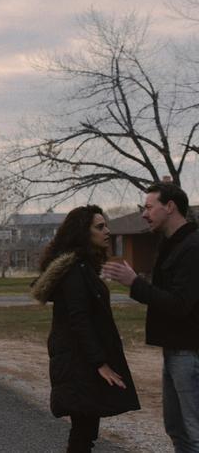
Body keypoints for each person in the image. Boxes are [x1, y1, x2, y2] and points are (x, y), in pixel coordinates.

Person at [31, 205, 140, 452]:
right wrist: (100, 363)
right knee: (84, 432)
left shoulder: (83, 267)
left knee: (85, 431)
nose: (107, 231)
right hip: (78, 362)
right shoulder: (75, 271)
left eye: (106, 225)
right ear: (83, 232)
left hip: (80, 360)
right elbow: (79, 320)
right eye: (100, 227)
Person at [102, 182, 199, 452]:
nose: (144, 214)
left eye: (148, 207)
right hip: (175, 350)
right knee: (177, 429)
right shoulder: (171, 244)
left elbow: (180, 304)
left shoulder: (193, 247)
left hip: (191, 353)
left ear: (169, 207)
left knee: (194, 431)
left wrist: (135, 283)